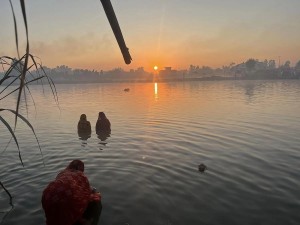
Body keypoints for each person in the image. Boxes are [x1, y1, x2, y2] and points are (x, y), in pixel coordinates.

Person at [42, 160, 102, 225]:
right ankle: (79, 220)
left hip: (48, 193)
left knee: (56, 207)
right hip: (66, 195)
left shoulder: (62, 173)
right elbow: (86, 193)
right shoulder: (81, 175)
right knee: (88, 199)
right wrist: (94, 195)